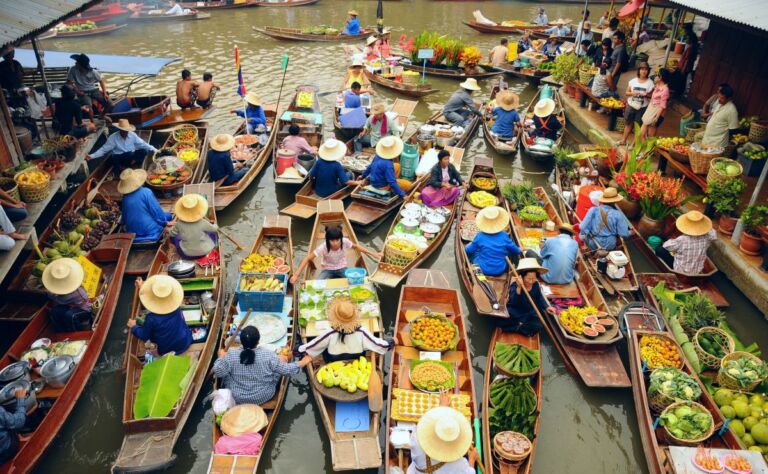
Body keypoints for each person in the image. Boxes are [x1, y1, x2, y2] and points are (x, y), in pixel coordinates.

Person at [214, 326, 313, 405]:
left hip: (238, 396)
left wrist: (221, 357)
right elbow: (286, 370)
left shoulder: (231, 354)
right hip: (263, 395)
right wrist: (303, 362)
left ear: (241, 341)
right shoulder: (268, 355)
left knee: (225, 371)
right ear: (258, 341)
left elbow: (218, 372)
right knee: (280, 361)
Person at [298, 297, 391, 362]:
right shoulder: (362, 332)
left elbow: (314, 345)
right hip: (356, 359)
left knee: (323, 349)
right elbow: (379, 344)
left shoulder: (329, 333)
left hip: (333, 359)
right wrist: (391, 342)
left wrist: (298, 350)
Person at [406, 396, 480, 474]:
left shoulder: (417, 440)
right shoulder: (460, 464)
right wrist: (472, 459)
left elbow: (422, 424)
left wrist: (442, 408)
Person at [128, 275, 192, 356]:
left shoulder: (151, 318)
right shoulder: (175, 307)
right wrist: (141, 288)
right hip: (186, 341)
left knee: (146, 331)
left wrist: (134, 327)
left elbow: (144, 335)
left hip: (167, 349)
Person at [291, 226, 381, 283]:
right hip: (327, 269)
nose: (335, 243)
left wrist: (374, 254)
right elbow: (307, 258)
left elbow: (357, 247)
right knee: (317, 284)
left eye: (337, 240)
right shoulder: (323, 247)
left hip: (342, 267)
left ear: (340, 239)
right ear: (327, 240)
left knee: (354, 283)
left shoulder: (345, 241)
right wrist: (296, 275)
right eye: (332, 240)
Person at [117, 169, 173, 243]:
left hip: (132, 232)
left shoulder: (125, 198)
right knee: (168, 216)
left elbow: (124, 217)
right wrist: (165, 223)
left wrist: (123, 224)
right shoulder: (146, 192)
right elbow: (156, 211)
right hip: (150, 230)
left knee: (165, 216)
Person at [503, 258, 555, 335]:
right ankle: (519, 327)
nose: (531, 281)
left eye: (534, 279)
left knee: (539, 326)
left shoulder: (536, 285)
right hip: (516, 312)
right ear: (522, 277)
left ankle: (517, 327)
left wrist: (547, 307)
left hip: (529, 312)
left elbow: (539, 297)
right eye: (529, 278)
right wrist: (519, 287)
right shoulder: (514, 286)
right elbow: (514, 302)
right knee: (500, 321)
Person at [655, 211, 717, 275]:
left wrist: (673, 240)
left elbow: (666, 246)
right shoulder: (707, 237)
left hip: (680, 272)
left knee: (659, 250)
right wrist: (705, 226)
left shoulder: (682, 239)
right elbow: (714, 235)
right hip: (697, 271)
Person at [465, 206, 521, 277]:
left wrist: (467, 246)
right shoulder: (504, 236)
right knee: (509, 251)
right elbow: (517, 251)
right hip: (500, 270)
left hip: (482, 269)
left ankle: (478, 274)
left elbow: (469, 250)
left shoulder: (480, 236)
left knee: (473, 252)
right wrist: (520, 249)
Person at [41, 257, 93, 331]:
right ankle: (60, 330)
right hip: (71, 305)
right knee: (55, 311)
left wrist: (47, 293)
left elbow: (59, 299)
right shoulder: (68, 288)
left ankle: (75, 332)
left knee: (70, 315)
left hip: (84, 309)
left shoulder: (75, 293)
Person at [87, 119, 156, 170]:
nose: (125, 132)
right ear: (120, 130)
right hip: (119, 157)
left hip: (130, 157)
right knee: (127, 154)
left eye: (126, 131)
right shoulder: (113, 138)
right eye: (123, 130)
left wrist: (155, 150)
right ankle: (123, 167)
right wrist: (92, 156)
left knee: (143, 151)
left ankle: (131, 163)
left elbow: (143, 144)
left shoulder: (132, 135)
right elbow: (103, 150)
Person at [169, 194, 217, 259]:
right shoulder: (203, 222)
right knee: (212, 234)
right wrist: (214, 224)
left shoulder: (179, 223)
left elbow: (171, 233)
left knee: (174, 238)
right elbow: (215, 229)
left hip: (187, 255)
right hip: (204, 252)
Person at [67, 53, 110, 120]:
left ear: (81, 65)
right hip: (82, 92)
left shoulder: (93, 72)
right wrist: (77, 91)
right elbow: (69, 82)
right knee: (89, 108)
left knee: (111, 104)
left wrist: (105, 93)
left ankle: (102, 115)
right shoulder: (73, 69)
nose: (75, 63)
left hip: (94, 91)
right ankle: (93, 123)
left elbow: (101, 81)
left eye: (77, 62)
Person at [620, 62, 654, 145]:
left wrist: (646, 95)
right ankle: (623, 140)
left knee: (638, 126)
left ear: (648, 71)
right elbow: (627, 92)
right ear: (639, 70)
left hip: (642, 107)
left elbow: (652, 96)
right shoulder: (633, 81)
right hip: (631, 105)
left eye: (646, 69)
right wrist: (632, 93)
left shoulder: (650, 83)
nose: (644, 71)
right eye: (642, 69)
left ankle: (633, 144)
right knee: (628, 123)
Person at [701, 83, 739, 148]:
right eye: (718, 96)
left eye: (722, 98)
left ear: (729, 98)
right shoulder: (720, 104)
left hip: (717, 143)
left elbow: (733, 129)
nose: (719, 99)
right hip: (707, 139)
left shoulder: (732, 111)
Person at [640, 68, 670, 140]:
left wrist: (656, 118)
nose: (655, 76)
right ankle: (642, 145)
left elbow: (662, 106)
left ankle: (644, 146)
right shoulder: (657, 85)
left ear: (661, 77)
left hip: (656, 110)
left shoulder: (665, 90)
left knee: (648, 129)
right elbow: (653, 97)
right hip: (651, 107)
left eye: (657, 75)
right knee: (645, 127)